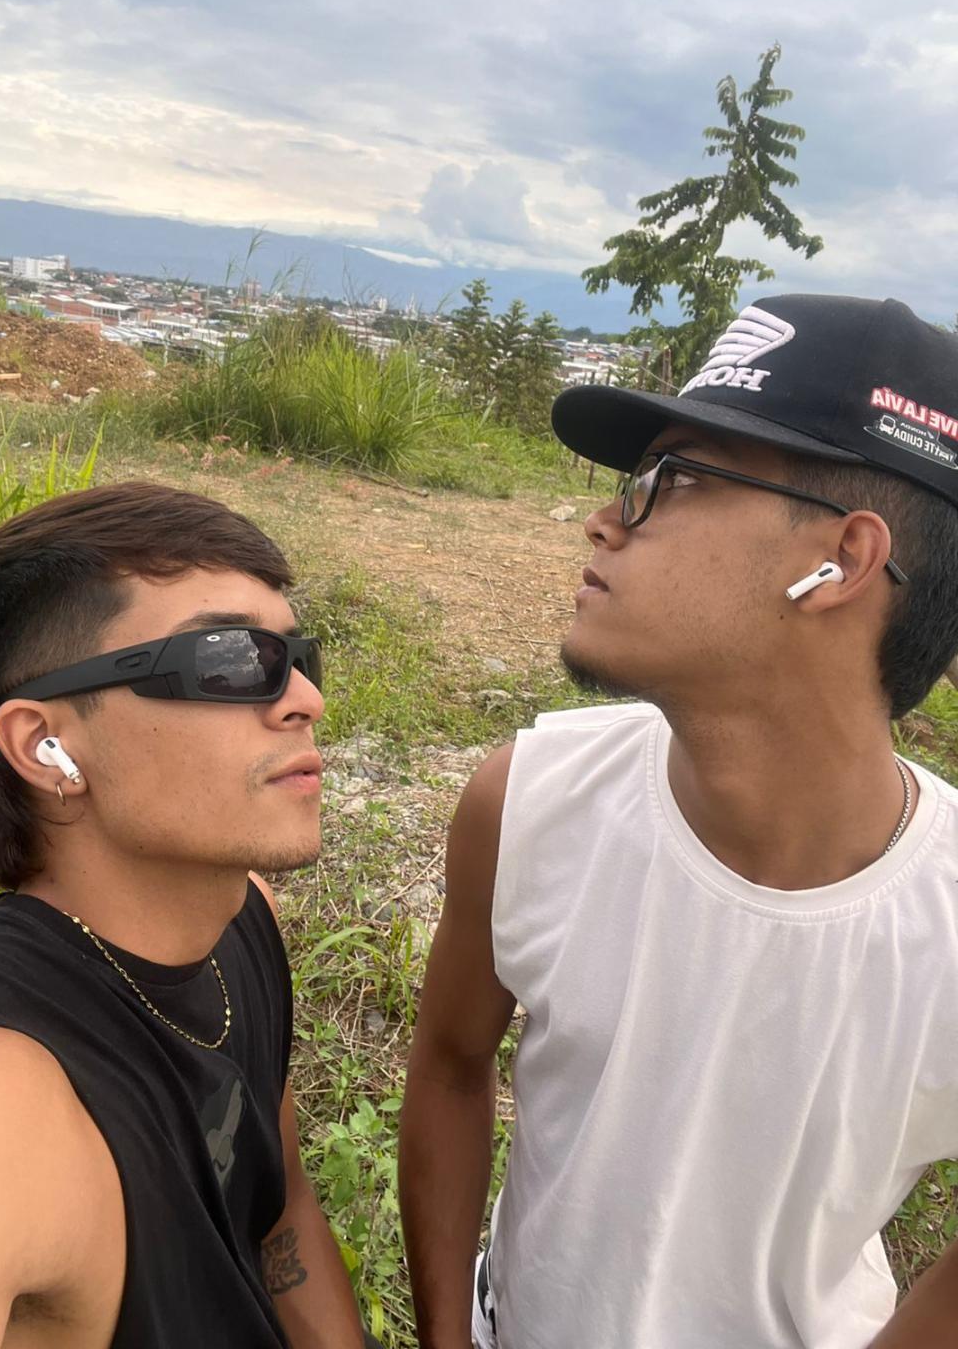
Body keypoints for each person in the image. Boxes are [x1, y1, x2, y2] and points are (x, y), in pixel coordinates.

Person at [399, 295, 958, 1349]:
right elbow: (447, 1065)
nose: (605, 520)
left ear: (842, 560)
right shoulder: (530, 800)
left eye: (673, 480)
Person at [0, 481, 374, 1349]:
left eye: (299, 657)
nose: (305, 699)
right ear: (45, 746)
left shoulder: (239, 917)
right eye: (231, 658)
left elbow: (279, 1208)